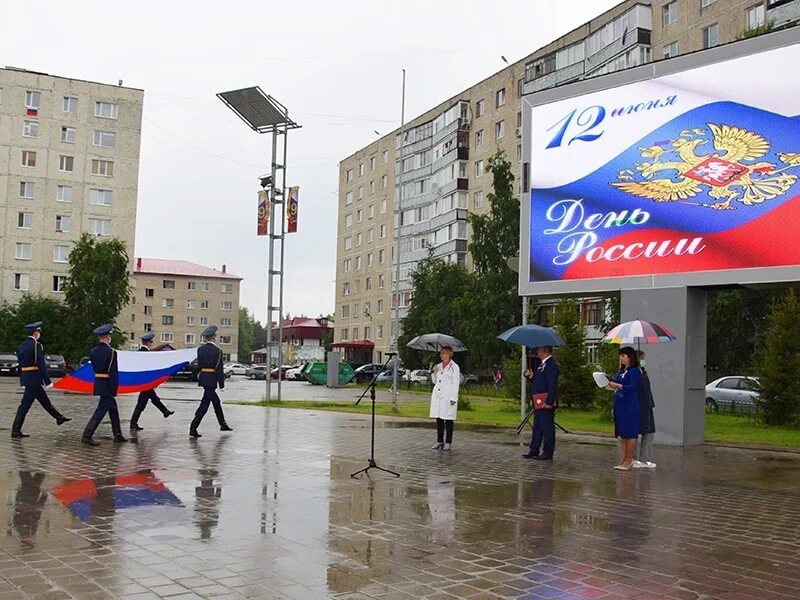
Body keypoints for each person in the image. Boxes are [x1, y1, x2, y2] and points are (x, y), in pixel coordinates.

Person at [11, 321, 71, 438]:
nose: (39, 334)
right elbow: (41, 364)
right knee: (25, 405)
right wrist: (48, 382)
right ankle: (15, 430)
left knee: (44, 401)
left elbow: (21, 363)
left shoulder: (22, 345)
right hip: (34, 379)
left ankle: (59, 417)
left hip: (29, 378)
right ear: (35, 333)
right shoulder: (36, 345)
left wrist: (23, 379)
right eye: (38, 331)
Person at [82, 324, 127, 446]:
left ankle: (117, 434)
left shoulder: (93, 351)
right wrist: (114, 389)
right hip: (107, 384)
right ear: (108, 337)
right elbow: (113, 373)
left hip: (99, 382)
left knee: (113, 409)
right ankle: (87, 435)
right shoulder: (111, 352)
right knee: (101, 411)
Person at [190, 325, 232, 438]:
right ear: (213, 337)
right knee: (205, 405)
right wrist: (221, 384)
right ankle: (193, 427)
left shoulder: (200, 349)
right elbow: (219, 368)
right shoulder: (218, 351)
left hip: (204, 378)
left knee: (214, 402)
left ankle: (222, 424)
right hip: (212, 379)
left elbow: (199, 365)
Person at [129, 332, 175, 431]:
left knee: (153, 398)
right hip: (146, 382)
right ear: (148, 342)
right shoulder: (146, 353)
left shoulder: (140, 352)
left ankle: (165, 411)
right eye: (151, 342)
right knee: (141, 403)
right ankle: (133, 423)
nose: (152, 343)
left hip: (144, 381)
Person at [522, 346, 559, 461]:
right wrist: (531, 376)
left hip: (545, 401)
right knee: (537, 427)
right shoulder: (542, 365)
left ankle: (548, 452)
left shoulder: (551, 365)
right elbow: (539, 382)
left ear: (545, 351)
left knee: (547, 427)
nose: (537, 352)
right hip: (538, 401)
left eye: (538, 350)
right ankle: (534, 450)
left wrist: (549, 402)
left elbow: (552, 384)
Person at [607, 346, 641, 471]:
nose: (621, 358)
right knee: (623, 433)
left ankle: (629, 459)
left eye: (624, 356)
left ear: (630, 357)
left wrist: (618, 386)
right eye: (620, 356)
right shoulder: (621, 371)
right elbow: (617, 384)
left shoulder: (635, 371)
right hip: (620, 403)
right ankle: (623, 458)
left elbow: (632, 387)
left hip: (629, 405)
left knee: (630, 432)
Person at [429, 345, 460, 451]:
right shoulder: (439, 365)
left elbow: (456, 383)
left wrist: (453, 398)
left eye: (443, 353)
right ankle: (439, 441)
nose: (441, 355)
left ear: (449, 354)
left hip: (448, 396)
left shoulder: (454, 367)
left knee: (448, 419)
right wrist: (434, 372)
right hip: (438, 396)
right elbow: (434, 381)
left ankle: (448, 442)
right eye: (441, 353)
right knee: (439, 418)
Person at [634, 350, 657, 469]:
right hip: (641, 406)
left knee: (648, 431)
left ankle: (642, 458)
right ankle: (639, 459)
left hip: (646, 406)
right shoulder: (636, 373)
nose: (644, 361)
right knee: (644, 431)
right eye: (642, 358)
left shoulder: (643, 372)